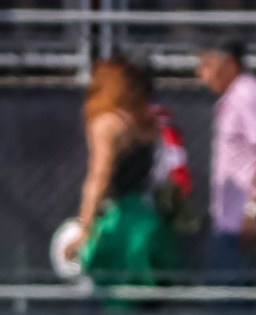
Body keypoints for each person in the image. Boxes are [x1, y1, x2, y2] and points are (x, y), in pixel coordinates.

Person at [61, 57, 183, 289]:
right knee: (148, 299)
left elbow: (99, 176)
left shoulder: (107, 123)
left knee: (114, 298)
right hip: (150, 222)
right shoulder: (148, 124)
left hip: (119, 227)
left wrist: (85, 229)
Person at [195, 39, 256, 283]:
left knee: (229, 297)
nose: (201, 75)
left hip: (242, 223)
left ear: (230, 64)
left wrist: (253, 211)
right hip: (230, 220)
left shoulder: (247, 95)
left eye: (207, 65)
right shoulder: (235, 96)